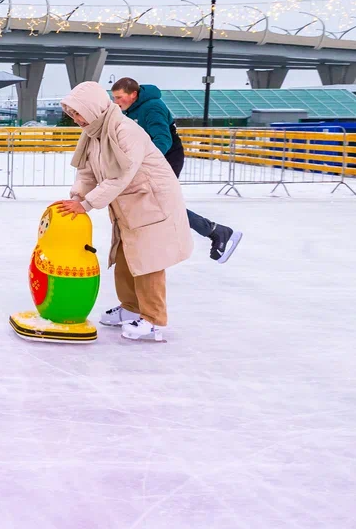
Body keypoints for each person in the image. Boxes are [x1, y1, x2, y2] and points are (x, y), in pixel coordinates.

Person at [56, 82, 192, 342]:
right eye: (72, 114)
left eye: (78, 113)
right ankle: (130, 308)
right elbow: (87, 171)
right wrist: (76, 197)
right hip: (129, 203)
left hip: (152, 201)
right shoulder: (93, 131)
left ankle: (154, 321)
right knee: (125, 255)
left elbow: (120, 175)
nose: (76, 120)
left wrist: (85, 205)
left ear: (93, 107)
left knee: (149, 261)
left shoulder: (125, 130)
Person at [110, 78, 242, 262]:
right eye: (113, 98)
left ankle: (215, 231)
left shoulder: (152, 107)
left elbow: (163, 140)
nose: (116, 102)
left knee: (162, 204)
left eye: (119, 97)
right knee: (155, 203)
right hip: (153, 159)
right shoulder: (131, 110)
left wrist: (143, 162)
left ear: (133, 94)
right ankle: (214, 231)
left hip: (166, 158)